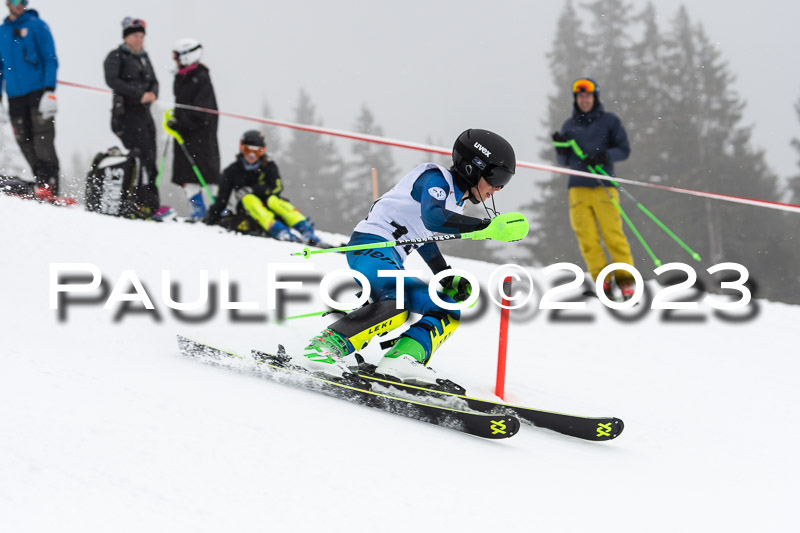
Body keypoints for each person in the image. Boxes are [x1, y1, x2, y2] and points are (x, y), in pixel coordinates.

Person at [299, 129, 517, 386]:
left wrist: (444, 276)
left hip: (388, 255)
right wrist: (483, 227)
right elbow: (433, 218)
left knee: (446, 306)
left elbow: (421, 235)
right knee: (398, 297)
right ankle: (323, 348)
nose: (498, 187)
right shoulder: (435, 178)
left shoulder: (456, 202)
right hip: (370, 245)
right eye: (496, 177)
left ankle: (401, 360)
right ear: (472, 168)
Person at [552, 77, 635, 300]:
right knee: (587, 239)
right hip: (577, 189)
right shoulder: (569, 125)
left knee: (613, 235)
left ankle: (626, 282)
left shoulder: (610, 121)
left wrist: (605, 155)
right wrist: (560, 147)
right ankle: (603, 282)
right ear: (576, 99)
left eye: (588, 96)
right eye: (580, 96)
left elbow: (624, 150)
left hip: (604, 186)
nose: (584, 100)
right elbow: (564, 162)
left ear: (595, 97)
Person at [204, 129, 322, 244]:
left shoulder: (269, 166)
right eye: (247, 150)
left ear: (263, 151)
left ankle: (305, 229)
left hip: (271, 207)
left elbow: (277, 188)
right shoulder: (231, 171)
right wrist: (211, 217)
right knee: (248, 198)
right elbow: (222, 198)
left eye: (256, 151)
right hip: (250, 213)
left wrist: (254, 189)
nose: (251, 155)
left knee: (273, 200)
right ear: (241, 149)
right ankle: (279, 231)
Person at [0, 0, 60, 200]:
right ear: (8, 3)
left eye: (24, 1)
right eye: (16, 1)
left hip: (37, 92)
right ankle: (40, 182)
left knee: (42, 138)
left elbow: (50, 58)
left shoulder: (37, 25)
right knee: (23, 140)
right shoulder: (2, 32)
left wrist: (49, 91)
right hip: (15, 96)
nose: (20, 4)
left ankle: (50, 182)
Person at [103, 17, 162, 218]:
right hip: (126, 115)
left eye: (141, 36)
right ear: (126, 37)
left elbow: (154, 81)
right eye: (134, 36)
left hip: (145, 114)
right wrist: (139, 94)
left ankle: (151, 204)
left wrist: (153, 93)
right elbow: (112, 80)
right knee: (140, 156)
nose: (138, 40)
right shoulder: (116, 56)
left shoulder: (144, 57)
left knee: (150, 158)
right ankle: (136, 201)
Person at [168, 38, 220, 220]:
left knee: (207, 173)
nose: (175, 61)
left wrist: (181, 122)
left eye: (177, 57)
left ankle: (217, 209)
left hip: (201, 135)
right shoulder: (180, 77)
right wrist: (175, 120)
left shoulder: (201, 77)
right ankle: (198, 210)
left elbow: (202, 112)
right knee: (187, 174)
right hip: (185, 135)